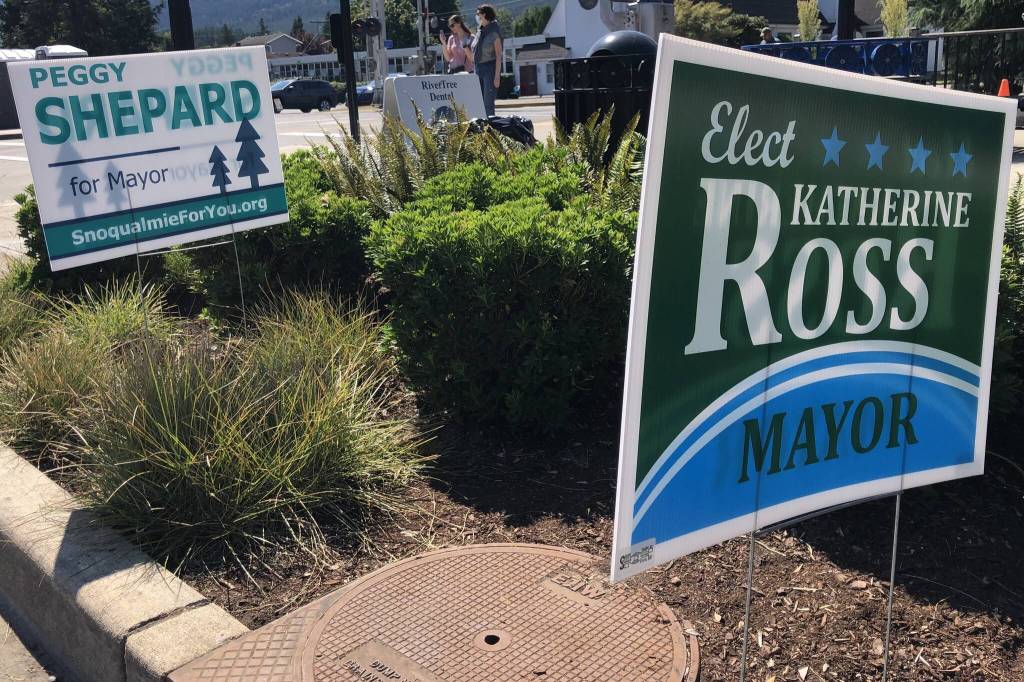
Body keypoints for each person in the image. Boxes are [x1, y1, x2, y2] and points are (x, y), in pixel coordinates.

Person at [471, 4, 502, 116]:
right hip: (478, 69)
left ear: (484, 15)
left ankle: (490, 131)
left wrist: (497, 76)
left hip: (490, 69)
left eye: (478, 14)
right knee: (478, 103)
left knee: (488, 105)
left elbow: (499, 55)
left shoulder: (494, 31)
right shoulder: (480, 31)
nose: (477, 16)